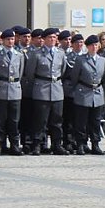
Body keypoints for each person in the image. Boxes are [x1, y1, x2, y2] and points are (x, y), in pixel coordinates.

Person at [25, 27, 67, 155]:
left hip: (57, 89)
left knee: (57, 120)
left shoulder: (60, 53)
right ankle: (37, 144)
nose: (53, 39)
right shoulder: (37, 54)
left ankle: (56, 144)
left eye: (54, 37)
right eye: (50, 37)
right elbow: (30, 73)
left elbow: (63, 71)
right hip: (42, 88)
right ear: (44, 39)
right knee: (40, 120)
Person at [0, 29, 25, 155]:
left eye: (12, 39)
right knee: (0, 120)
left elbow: (20, 74)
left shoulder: (19, 55)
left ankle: (15, 145)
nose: (10, 42)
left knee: (14, 120)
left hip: (15, 89)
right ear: (3, 41)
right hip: (1, 89)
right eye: (8, 39)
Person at [71, 34, 105, 155]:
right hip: (84, 92)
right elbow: (74, 77)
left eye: (96, 45)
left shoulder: (102, 60)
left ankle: (95, 144)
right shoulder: (81, 60)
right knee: (81, 121)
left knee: (95, 121)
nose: (94, 47)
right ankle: (81, 144)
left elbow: (103, 78)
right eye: (91, 45)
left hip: (97, 93)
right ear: (87, 47)